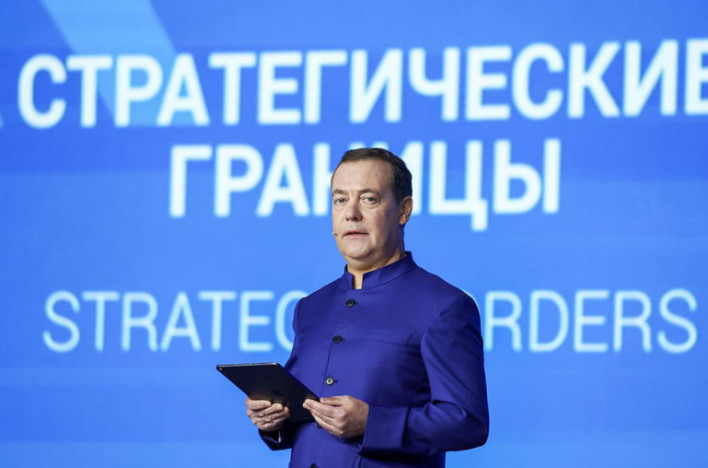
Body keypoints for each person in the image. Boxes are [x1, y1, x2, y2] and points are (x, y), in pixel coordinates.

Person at [245, 147, 489, 467]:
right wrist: (273, 418)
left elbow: (468, 422)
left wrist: (373, 423)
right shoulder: (310, 307)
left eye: (369, 199)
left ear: (403, 211)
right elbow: (303, 417)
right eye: (340, 200)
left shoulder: (444, 306)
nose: (351, 213)